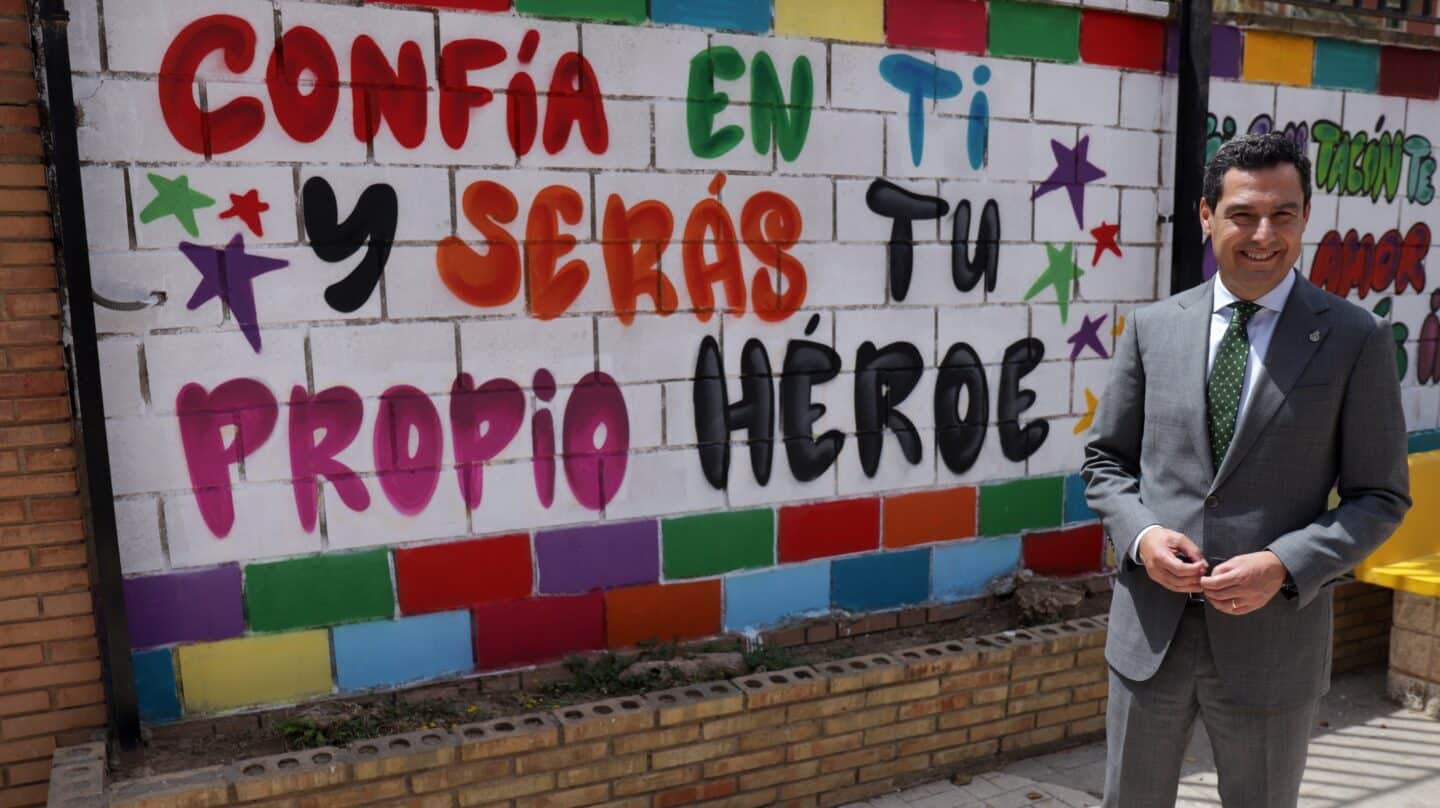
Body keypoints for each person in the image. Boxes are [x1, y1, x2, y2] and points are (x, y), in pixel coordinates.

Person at [1082, 132, 1411, 807]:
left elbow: (1379, 496)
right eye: (1243, 215)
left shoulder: (1354, 338)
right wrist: (1143, 539)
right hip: (1152, 638)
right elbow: (1106, 463)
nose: (1264, 234)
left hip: (1275, 648)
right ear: (1206, 216)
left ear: (1304, 217)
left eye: (1283, 215)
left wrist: (1285, 565)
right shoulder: (1152, 328)